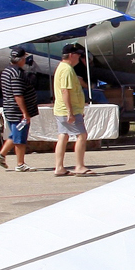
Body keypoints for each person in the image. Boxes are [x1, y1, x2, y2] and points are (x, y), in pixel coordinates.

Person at [53, 42, 93, 177]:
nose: (79, 58)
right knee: (82, 135)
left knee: (63, 136)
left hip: (61, 109)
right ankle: (80, 166)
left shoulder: (62, 67)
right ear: (71, 55)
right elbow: (65, 91)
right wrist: (71, 112)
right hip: (68, 110)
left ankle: (59, 167)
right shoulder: (67, 70)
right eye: (78, 55)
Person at [0, 47, 37, 171]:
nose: (25, 60)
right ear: (20, 59)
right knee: (20, 137)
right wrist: (25, 113)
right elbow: (18, 95)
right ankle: (20, 163)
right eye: (24, 58)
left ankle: (1, 155)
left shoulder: (7, 71)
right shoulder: (16, 73)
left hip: (10, 108)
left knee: (15, 134)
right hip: (17, 110)